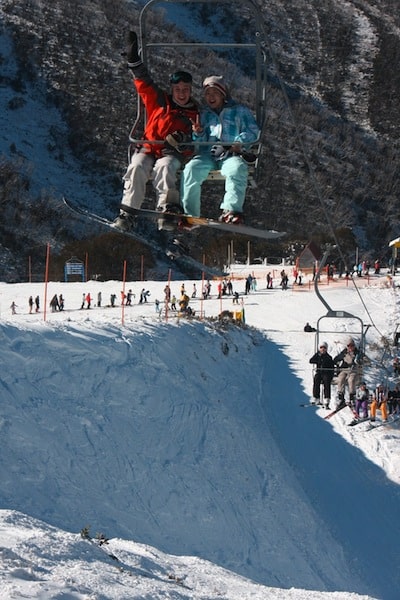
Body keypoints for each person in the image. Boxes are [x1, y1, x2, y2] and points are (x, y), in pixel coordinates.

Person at [113, 31, 199, 232]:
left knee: (166, 167)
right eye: (178, 89)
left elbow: (197, 139)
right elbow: (144, 83)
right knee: (136, 166)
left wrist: (182, 138)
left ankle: (166, 208)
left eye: (185, 89)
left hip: (171, 153)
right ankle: (128, 212)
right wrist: (134, 61)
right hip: (149, 146)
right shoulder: (160, 101)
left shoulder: (194, 113)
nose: (182, 93)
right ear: (172, 90)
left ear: (191, 90)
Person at [180, 75, 260, 223]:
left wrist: (238, 143)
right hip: (207, 155)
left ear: (223, 95)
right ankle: (190, 214)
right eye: (208, 94)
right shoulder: (204, 115)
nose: (211, 97)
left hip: (229, 154)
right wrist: (198, 133)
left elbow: (253, 131)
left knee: (237, 169)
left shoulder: (239, 111)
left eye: (214, 93)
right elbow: (199, 143)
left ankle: (231, 210)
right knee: (191, 169)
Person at [333, 337, 363, 409]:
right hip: (344, 369)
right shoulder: (344, 353)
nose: (350, 347)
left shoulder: (358, 353)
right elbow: (336, 359)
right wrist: (337, 363)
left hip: (353, 370)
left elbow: (366, 360)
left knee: (351, 380)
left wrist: (359, 361)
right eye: (349, 346)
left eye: (352, 345)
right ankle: (341, 398)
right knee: (341, 379)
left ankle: (352, 398)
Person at [309, 342, 334, 408]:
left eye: (324, 348)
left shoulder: (328, 357)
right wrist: (318, 358)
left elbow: (332, 367)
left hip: (326, 373)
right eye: (321, 347)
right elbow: (311, 360)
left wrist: (331, 375)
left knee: (326, 381)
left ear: (326, 349)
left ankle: (327, 399)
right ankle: (316, 397)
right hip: (319, 372)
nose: (323, 349)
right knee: (316, 379)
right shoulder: (317, 355)